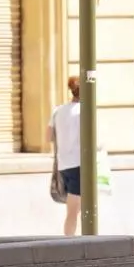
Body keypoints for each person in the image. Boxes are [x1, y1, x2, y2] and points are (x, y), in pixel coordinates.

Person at [49, 76, 82, 236]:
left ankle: (74, 239)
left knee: (75, 208)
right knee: (73, 211)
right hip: (79, 164)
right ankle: (70, 241)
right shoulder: (84, 111)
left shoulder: (58, 110)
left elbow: (48, 136)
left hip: (64, 164)